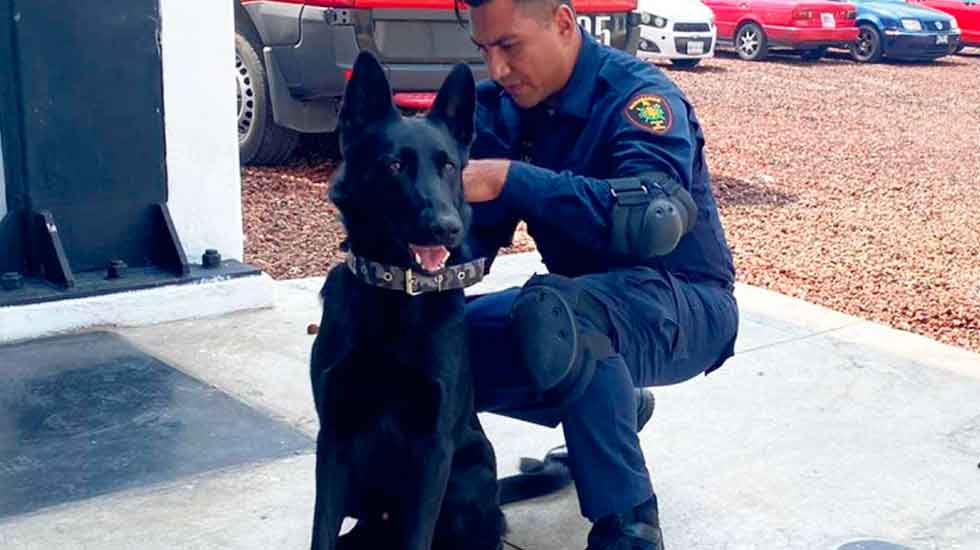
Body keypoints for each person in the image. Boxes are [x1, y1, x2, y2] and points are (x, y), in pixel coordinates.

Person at [459, 0, 739, 548]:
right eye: (485, 50)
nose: (497, 69)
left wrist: (515, 179)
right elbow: (472, 239)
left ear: (564, 23)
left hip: (685, 304)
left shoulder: (638, 96)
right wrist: (394, 299)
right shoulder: (500, 108)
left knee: (558, 312)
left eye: (510, 46)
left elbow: (653, 220)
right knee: (434, 337)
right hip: (574, 311)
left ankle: (628, 526)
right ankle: (452, 496)